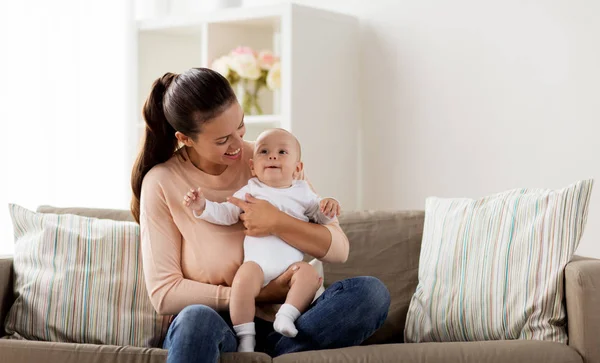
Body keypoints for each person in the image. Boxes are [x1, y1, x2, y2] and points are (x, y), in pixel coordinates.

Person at [131, 68, 390, 363]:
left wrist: (278, 222)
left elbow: (339, 249)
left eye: (240, 127)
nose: (239, 145)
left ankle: (274, 354)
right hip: (219, 326)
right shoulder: (162, 181)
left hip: (289, 321)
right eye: (222, 140)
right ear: (186, 139)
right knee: (194, 320)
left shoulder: (268, 157)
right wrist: (257, 293)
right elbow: (165, 294)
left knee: (370, 294)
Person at [183, 128, 341, 352]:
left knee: (309, 274)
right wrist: (202, 207)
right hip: (257, 265)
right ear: (252, 167)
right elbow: (227, 212)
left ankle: (286, 316)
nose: (272, 156)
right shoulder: (251, 190)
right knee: (242, 281)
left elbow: (320, 215)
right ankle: (246, 338)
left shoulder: (302, 191)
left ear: (298, 169)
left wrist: (329, 206)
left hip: (290, 269)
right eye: (264, 151)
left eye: (282, 152)